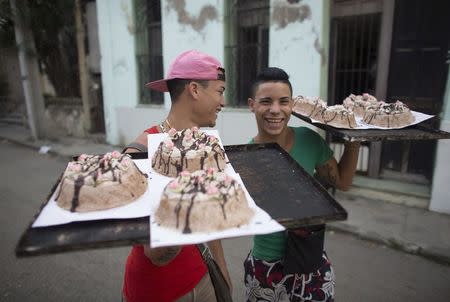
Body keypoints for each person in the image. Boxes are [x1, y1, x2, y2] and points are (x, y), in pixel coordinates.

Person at [122, 50, 231, 302]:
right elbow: (156, 255)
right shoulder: (140, 152)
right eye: (220, 90)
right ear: (194, 89)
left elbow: (209, 219)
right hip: (158, 291)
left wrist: (222, 269)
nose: (223, 101)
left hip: (203, 280)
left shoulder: (206, 147)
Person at [244, 67, 360, 302]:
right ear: (252, 105)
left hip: (311, 262)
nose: (275, 110)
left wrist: (354, 137)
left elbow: (343, 183)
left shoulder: (309, 140)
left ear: (292, 104)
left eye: (283, 102)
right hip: (266, 263)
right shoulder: (246, 157)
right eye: (266, 101)